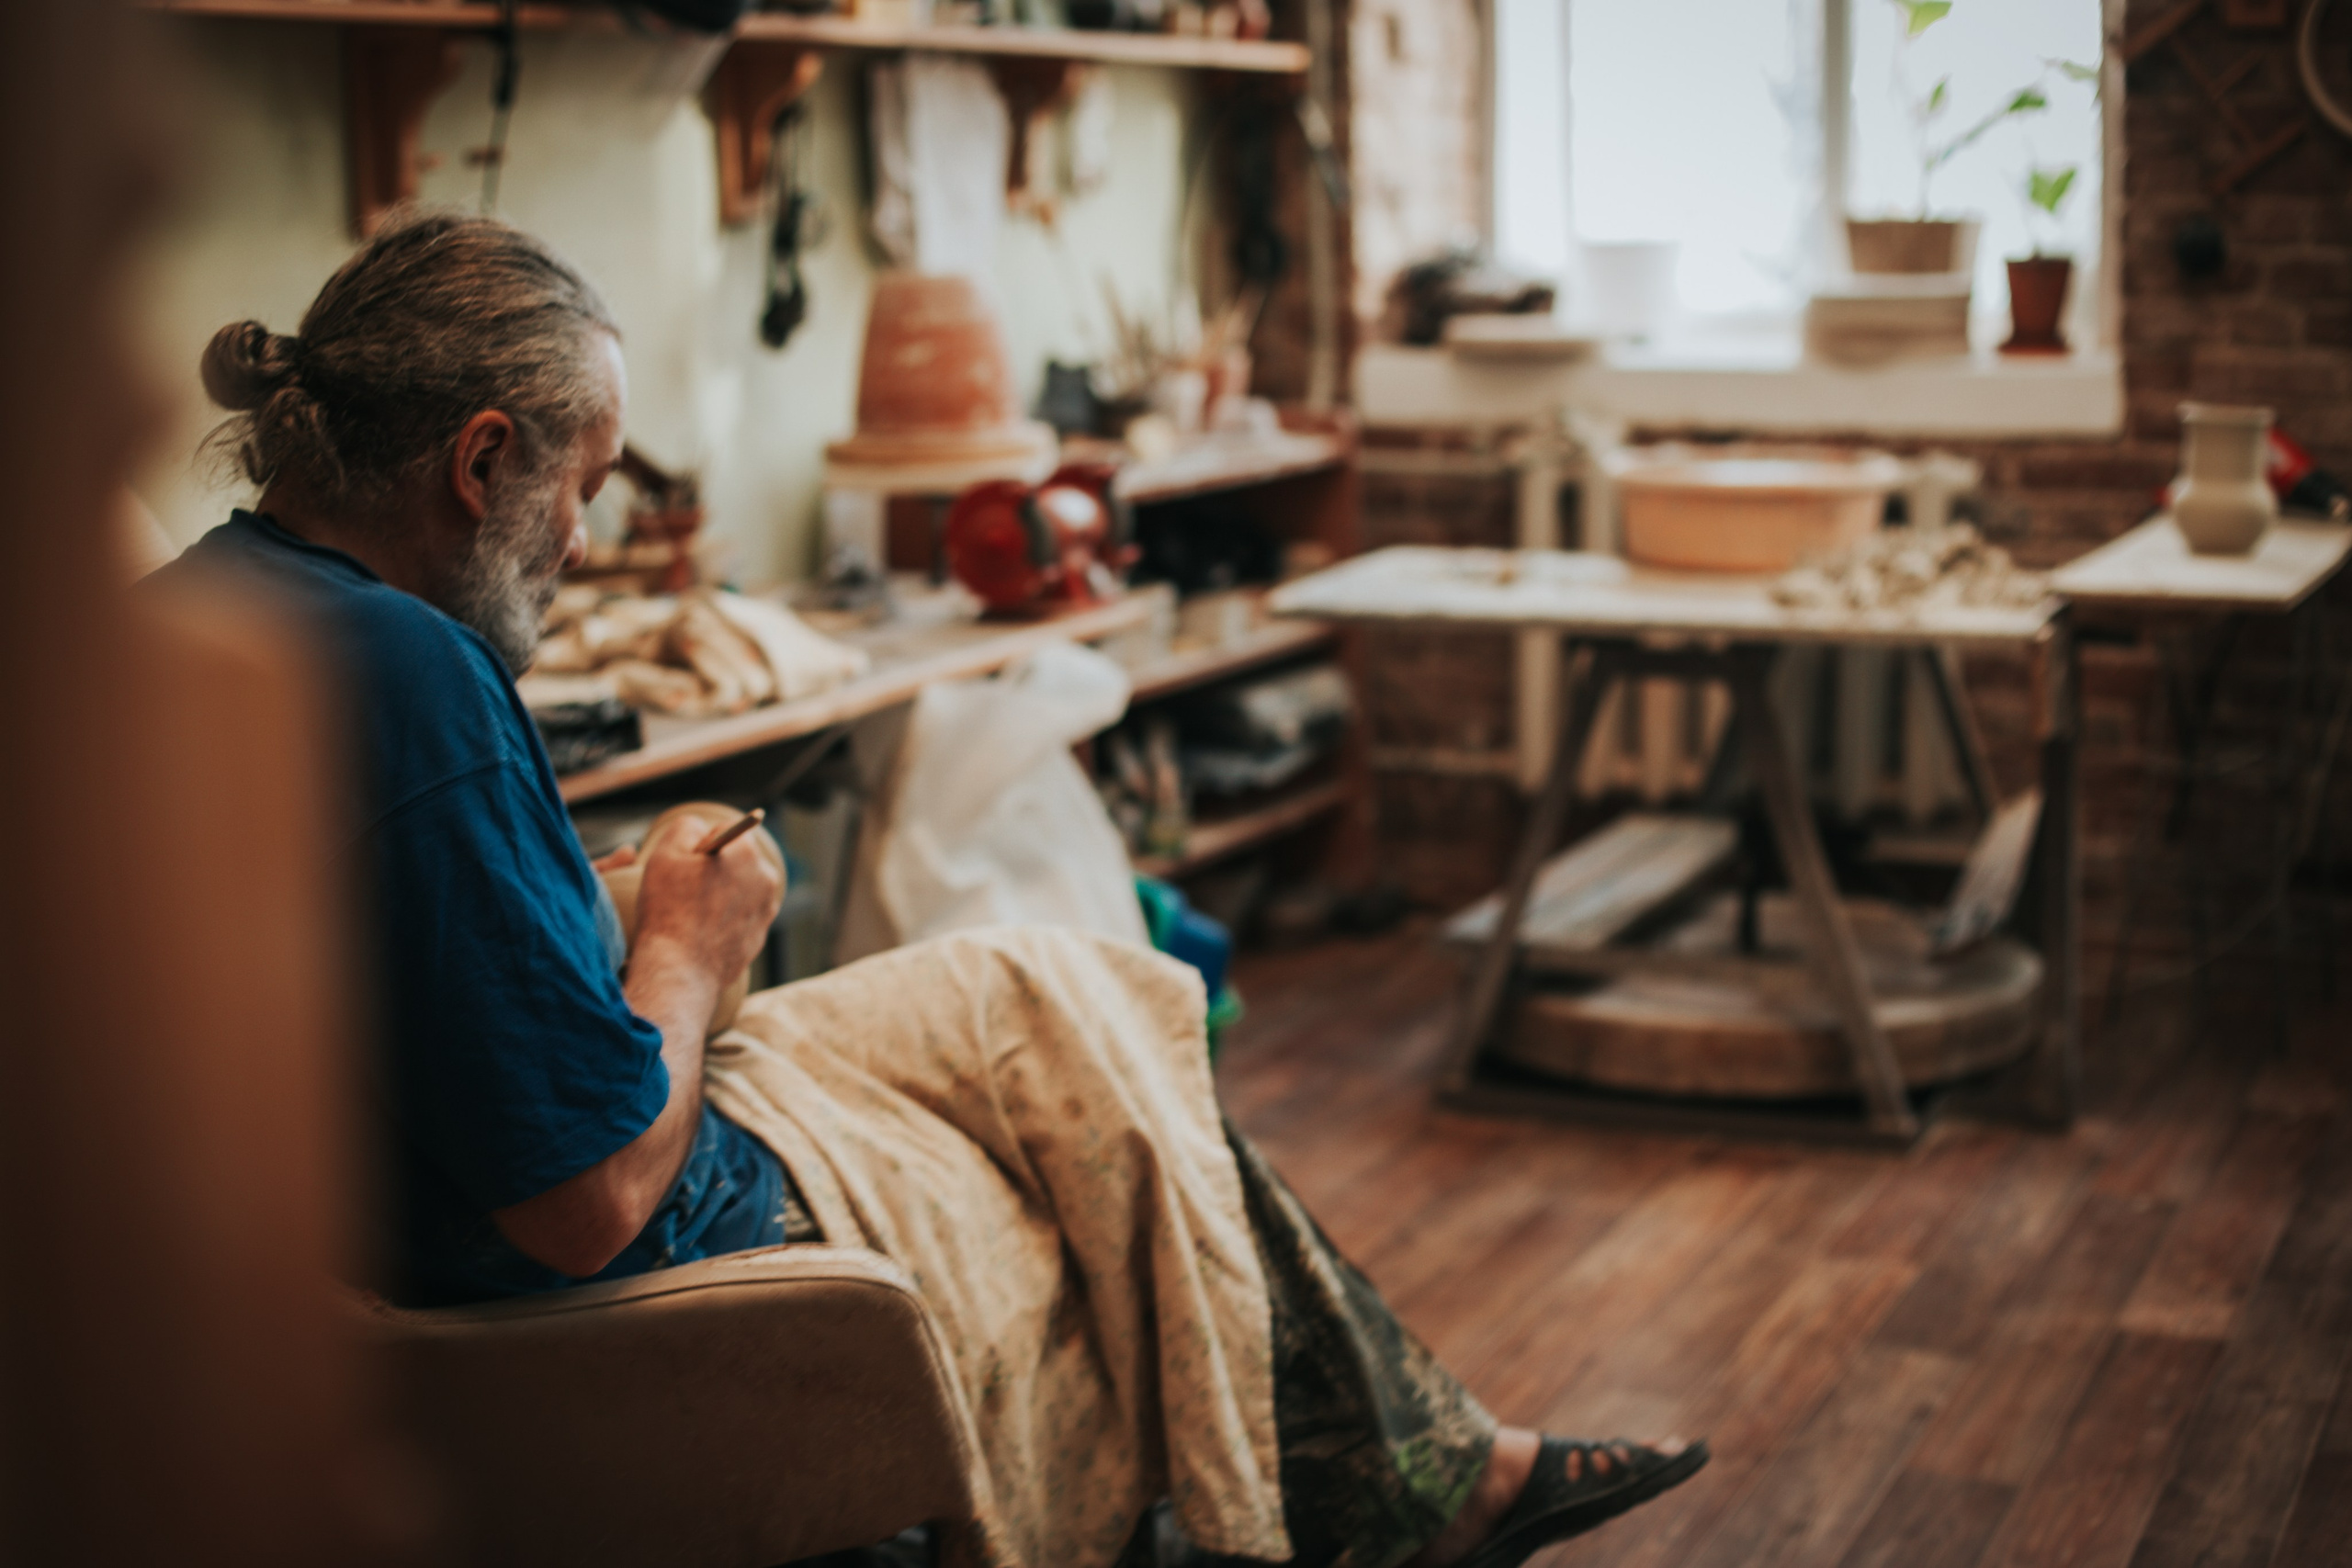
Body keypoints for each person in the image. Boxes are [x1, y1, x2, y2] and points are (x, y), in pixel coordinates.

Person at [149, 211, 1704, 1568]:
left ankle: (1448, 1470)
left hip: (477, 1162)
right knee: (1106, 1103)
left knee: (1074, 987)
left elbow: (404, 961)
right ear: (482, 461)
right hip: (631, 1250)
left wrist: (595, 897)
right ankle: (1417, 1487)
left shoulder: (202, 612)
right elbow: (586, 1203)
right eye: (586, 486)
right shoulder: (411, 671)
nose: (578, 535)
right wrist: (686, 949)